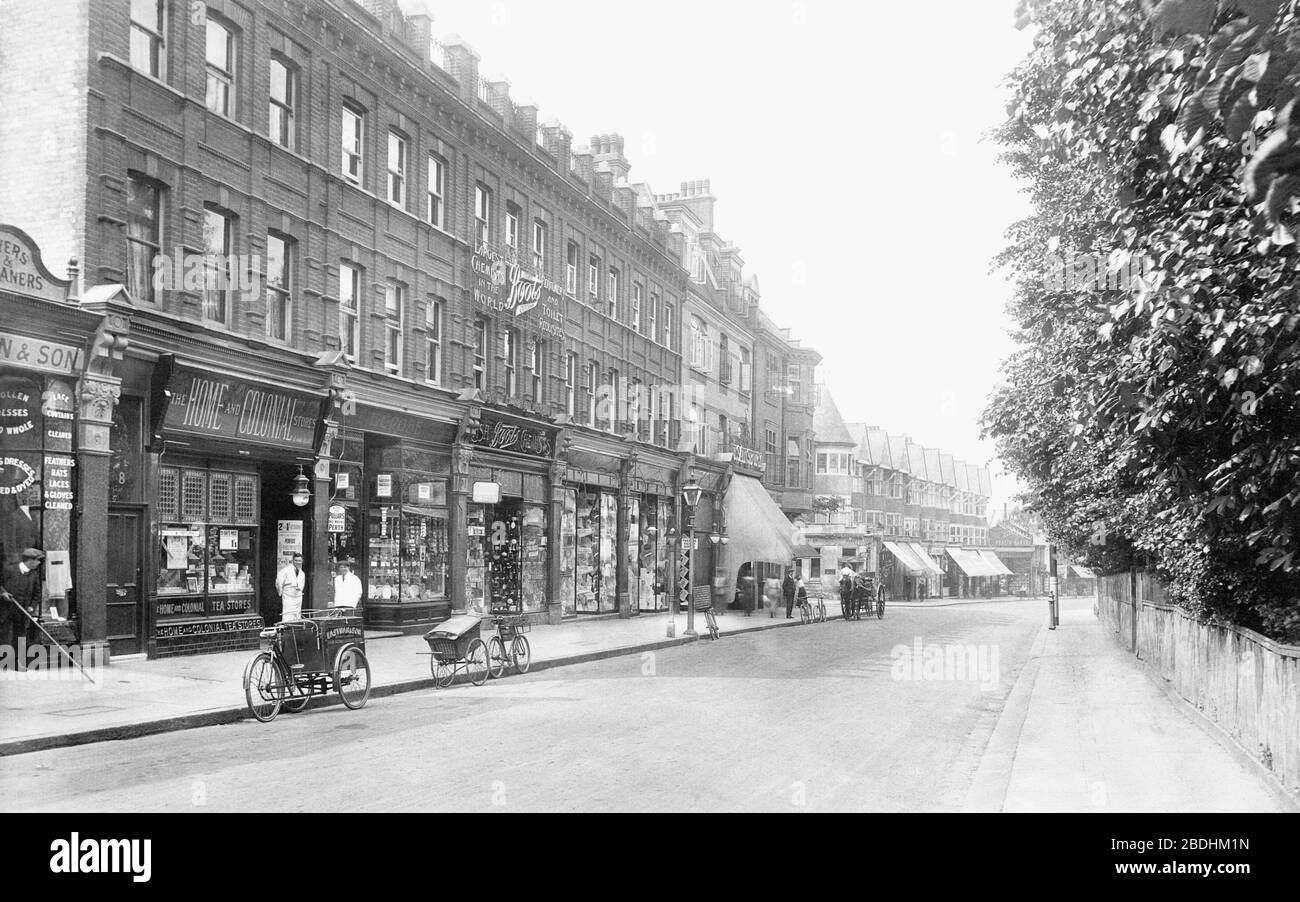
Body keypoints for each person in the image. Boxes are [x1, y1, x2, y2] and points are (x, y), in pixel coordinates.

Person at [1, 548, 44, 666]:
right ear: (30, 560)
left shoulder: (34, 575)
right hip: (6, 609)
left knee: (20, 635)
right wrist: (3, 593)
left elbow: (37, 594)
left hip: (23, 611)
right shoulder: (9, 569)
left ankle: (18, 662)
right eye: (38, 560)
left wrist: (31, 607)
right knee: (4, 633)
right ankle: (3, 661)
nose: (39, 563)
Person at [275, 552, 306, 621]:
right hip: (288, 596)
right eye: (296, 560)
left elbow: (302, 585)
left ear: (302, 561)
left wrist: (299, 590)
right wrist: (280, 592)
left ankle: (295, 630)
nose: (298, 562)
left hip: (298, 597)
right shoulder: (286, 570)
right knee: (288, 615)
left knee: (297, 615)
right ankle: (287, 629)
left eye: (300, 561)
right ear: (292, 561)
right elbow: (278, 581)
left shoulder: (302, 573)